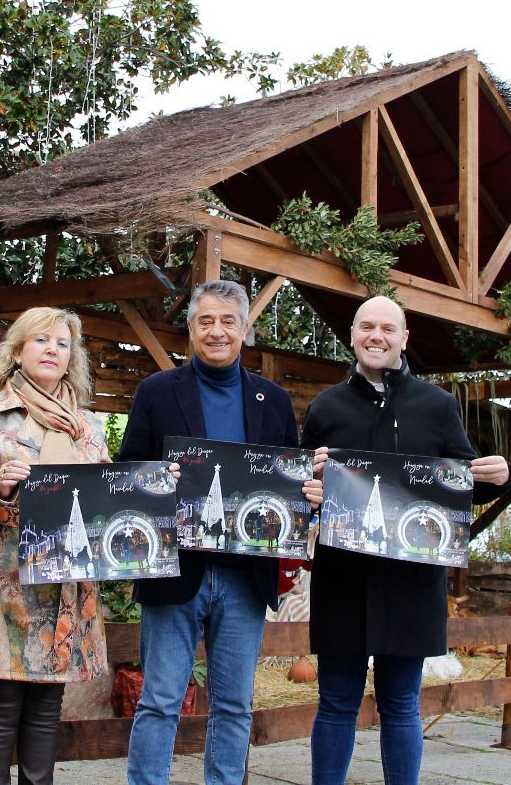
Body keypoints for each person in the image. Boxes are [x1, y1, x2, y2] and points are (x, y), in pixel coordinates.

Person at [302, 296, 511, 785]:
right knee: (336, 702)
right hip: (343, 579)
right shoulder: (326, 407)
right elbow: (301, 488)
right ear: (352, 335)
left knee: (401, 703)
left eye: (387, 328)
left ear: (404, 339)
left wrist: (500, 476)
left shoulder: (437, 405)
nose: (376, 336)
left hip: (411, 581)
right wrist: (308, 482)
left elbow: (464, 480)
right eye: (367, 327)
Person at [119, 280, 321, 785]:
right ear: (190, 329)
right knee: (160, 700)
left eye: (228, 321)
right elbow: (127, 472)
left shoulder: (274, 401)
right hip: (174, 571)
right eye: (205, 320)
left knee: (234, 704)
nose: (217, 331)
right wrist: (154, 481)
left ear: (245, 329)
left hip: (245, 577)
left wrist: (308, 496)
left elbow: (289, 486)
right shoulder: (156, 391)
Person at [0, 307, 110, 785]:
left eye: (62, 343)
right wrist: (1, 488)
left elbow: (105, 502)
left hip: (66, 588)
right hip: (4, 584)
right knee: (0, 704)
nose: (52, 349)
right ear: (17, 352)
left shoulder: (88, 427)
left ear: (72, 357)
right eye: (41, 340)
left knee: (48, 705)